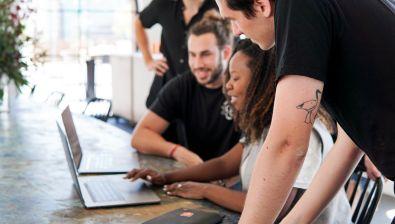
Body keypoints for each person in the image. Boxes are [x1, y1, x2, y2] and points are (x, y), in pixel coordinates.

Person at [125, 40, 351, 223]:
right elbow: (224, 164)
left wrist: (206, 190)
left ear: (261, 83)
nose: (227, 87)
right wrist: (166, 177)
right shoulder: (263, 125)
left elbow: (275, 209)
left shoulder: (304, 133)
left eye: (235, 78)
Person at [215, 0, 395, 223]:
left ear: (261, 5)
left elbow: (287, 145)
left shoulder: (298, 6)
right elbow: (350, 143)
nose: (236, 31)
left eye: (233, 20)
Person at [131, 16, 240, 167]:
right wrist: (177, 151)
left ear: (226, 53)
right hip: (195, 173)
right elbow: (139, 136)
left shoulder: (243, 88)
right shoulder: (182, 86)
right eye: (192, 55)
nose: (197, 64)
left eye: (205, 54)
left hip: (236, 177)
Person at [136, 0, 218, 107]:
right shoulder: (164, 3)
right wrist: (148, 60)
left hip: (199, 90)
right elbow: (138, 23)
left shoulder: (218, 8)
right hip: (166, 82)